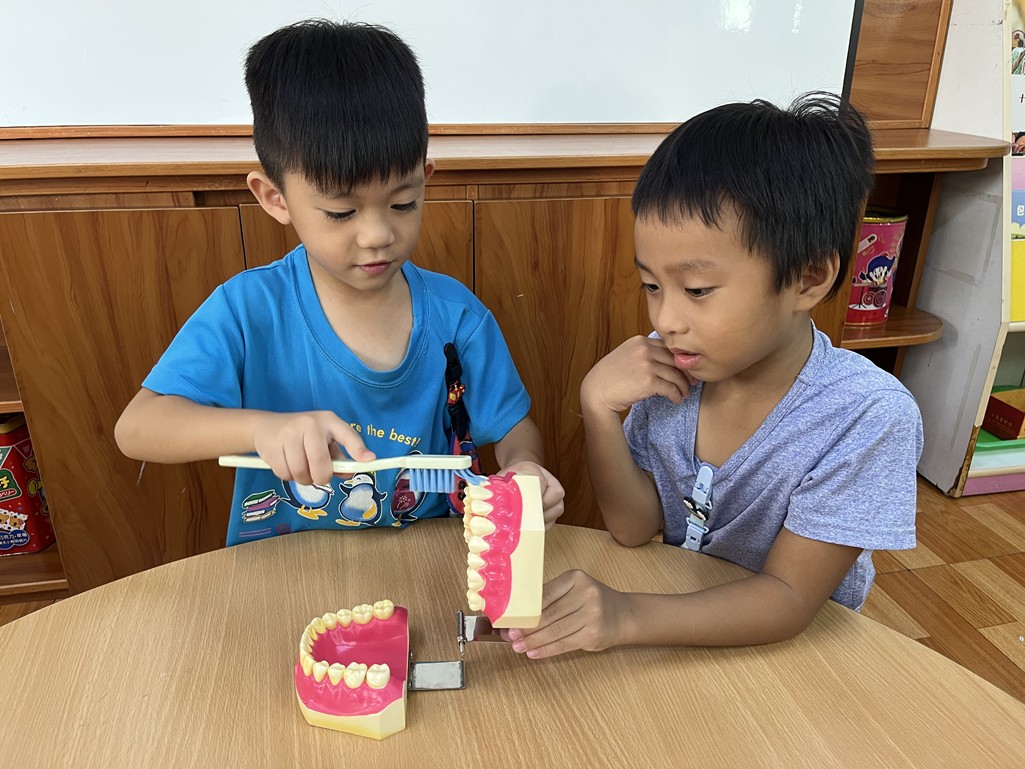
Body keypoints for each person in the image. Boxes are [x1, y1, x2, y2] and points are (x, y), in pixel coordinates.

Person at [115, 19, 563, 545]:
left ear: (426, 179)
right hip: (284, 570)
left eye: (403, 203)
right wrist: (261, 428)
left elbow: (511, 428)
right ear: (275, 198)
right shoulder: (248, 310)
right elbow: (138, 428)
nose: (377, 236)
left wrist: (524, 469)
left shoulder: (456, 316)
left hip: (429, 563)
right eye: (340, 212)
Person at [504, 93, 921, 659]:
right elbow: (633, 527)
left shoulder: (866, 416)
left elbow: (789, 598)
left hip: (798, 658)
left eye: (697, 290)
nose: (665, 320)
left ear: (808, 278)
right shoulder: (670, 367)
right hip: (682, 626)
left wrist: (626, 614)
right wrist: (598, 407)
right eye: (652, 286)